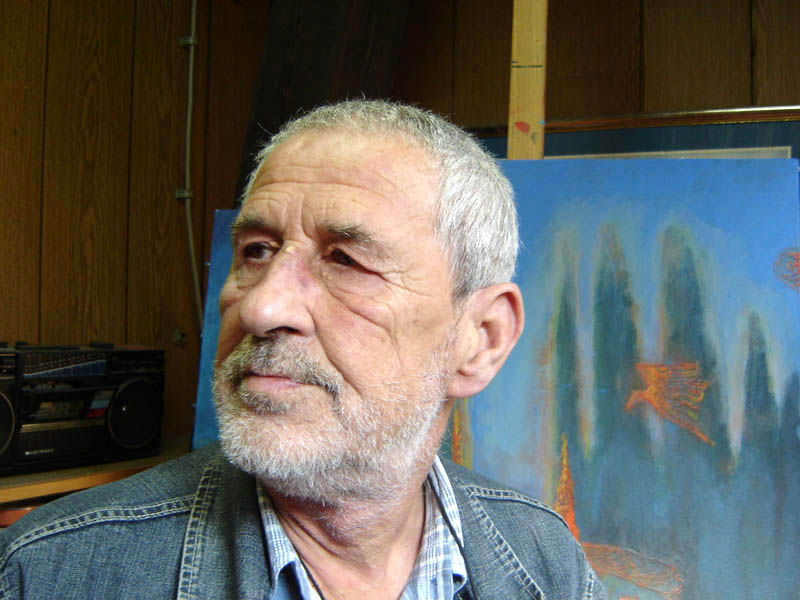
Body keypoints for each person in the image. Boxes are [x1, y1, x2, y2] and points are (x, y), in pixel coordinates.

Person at [0, 100, 604, 599]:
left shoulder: (547, 562)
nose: (262, 308)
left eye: (347, 260)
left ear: (480, 340)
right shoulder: (48, 575)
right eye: (256, 251)